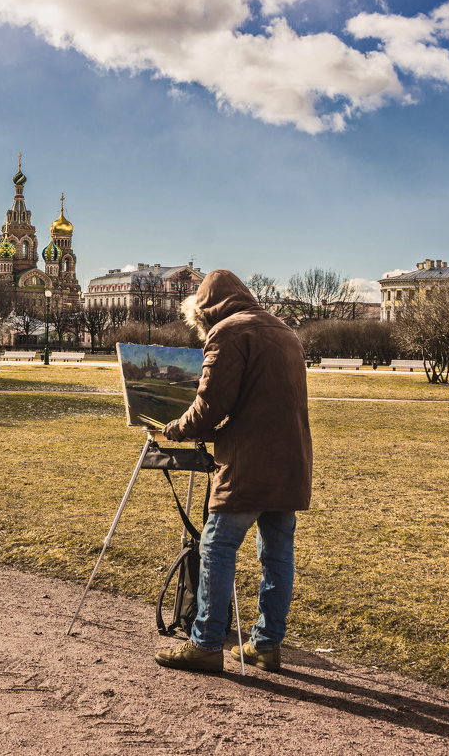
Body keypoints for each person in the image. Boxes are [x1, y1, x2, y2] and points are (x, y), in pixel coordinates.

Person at [153, 269, 312, 674]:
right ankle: (266, 643)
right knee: (277, 555)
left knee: (217, 546)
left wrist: (174, 428)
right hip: (290, 460)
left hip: (247, 463)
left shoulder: (228, 333)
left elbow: (211, 404)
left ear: (204, 312)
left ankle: (205, 643)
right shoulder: (283, 331)